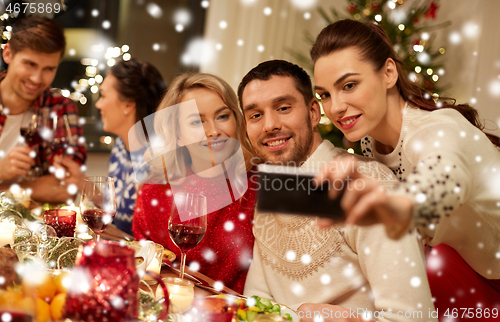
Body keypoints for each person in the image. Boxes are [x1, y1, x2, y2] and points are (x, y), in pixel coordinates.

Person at [311, 19, 500, 318]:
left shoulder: (437, 132)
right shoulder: (372, 141)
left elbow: (441, 182)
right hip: (472, 277)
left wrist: (393, 206)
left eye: (349, 85)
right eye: (325, 94)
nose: (335, 107)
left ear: (388, 73)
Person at [239, 60, 436, 322]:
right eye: (255, 115)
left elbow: (416, 318)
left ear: (312, 113)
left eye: (283, 108)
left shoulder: (370, 187)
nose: (269, 125)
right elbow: (258, 302)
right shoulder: (274, 187)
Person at [133, 73, 257, 294]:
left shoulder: (259, 184)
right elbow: (143, 272)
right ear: (177, 134)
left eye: (222, 116)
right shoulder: (154, 192)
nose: (213, 131)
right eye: (197, 121)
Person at [0, 15, 86, 203]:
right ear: (8, 54)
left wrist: (6, 189)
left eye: (48, 68)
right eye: (30, 64)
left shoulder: (61, 107)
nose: (37, 79)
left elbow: (66, 187)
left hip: (35, 228)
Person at [95, 58, 166, 235]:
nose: (98, 104)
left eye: (103, 96)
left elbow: (151, 237)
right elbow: (117, 213)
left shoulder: (158, 159)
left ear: (128, 104)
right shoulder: (121, 145)